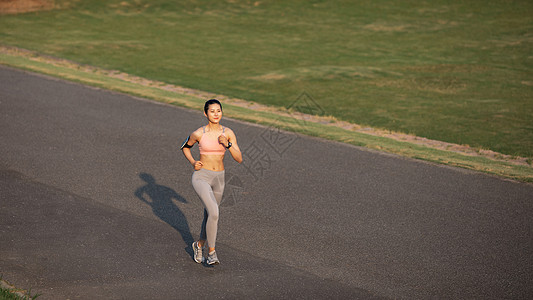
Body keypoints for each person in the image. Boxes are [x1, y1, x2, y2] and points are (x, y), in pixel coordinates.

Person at [180, 99, 242, 265]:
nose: (216, 114)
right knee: (214, 212)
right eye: (212, 111)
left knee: (210, 215)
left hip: (219, 178)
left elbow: (239, 158)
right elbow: (185, 146)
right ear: (206, 113)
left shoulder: (228, 133)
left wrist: (228, 145)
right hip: (201, 176)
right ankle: (212, 254)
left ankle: (198, 244)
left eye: (218, 111)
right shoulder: (199, 133)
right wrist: (193, 162)